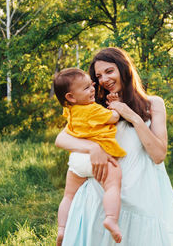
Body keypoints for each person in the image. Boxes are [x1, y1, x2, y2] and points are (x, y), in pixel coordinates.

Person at [55, 47, 173, 245]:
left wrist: (132, 116)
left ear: (124, 69)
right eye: (98, 75)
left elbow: (158, 154)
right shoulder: (96, 106)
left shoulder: (153, 104)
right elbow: (61, 139)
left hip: (141, 195)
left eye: (110, 71)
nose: (104, 80)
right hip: (101, 196)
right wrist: (93, 149)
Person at [53, 68, 126, 245]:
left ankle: (62, 228)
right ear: (71, 96)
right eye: (86, 88)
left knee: (68, 195)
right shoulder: (92, 110)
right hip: (98, 158)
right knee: (112, 185)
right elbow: (113, 117)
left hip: (77, 159)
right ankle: (111, 218)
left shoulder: (70, 110)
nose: (93, 89)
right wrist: (116, 105)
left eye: (91, 85)